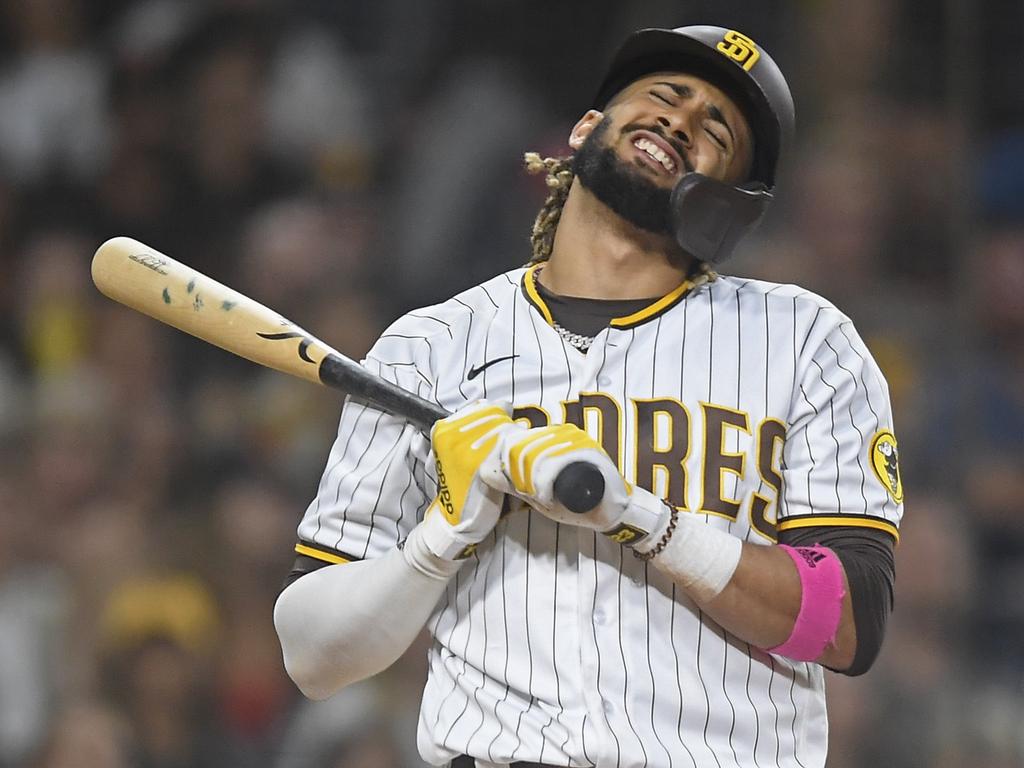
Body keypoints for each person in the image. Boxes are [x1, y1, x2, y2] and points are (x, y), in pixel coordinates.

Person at [274, 25, 903, 768]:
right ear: (585, 127)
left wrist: (638, 515)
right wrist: (442, 534)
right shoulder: (430, 345)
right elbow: (314, 657)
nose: (680, 120)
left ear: (729, 206)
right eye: (665, 96)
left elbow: (848, 622)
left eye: (715, 130)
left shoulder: (802, 340)